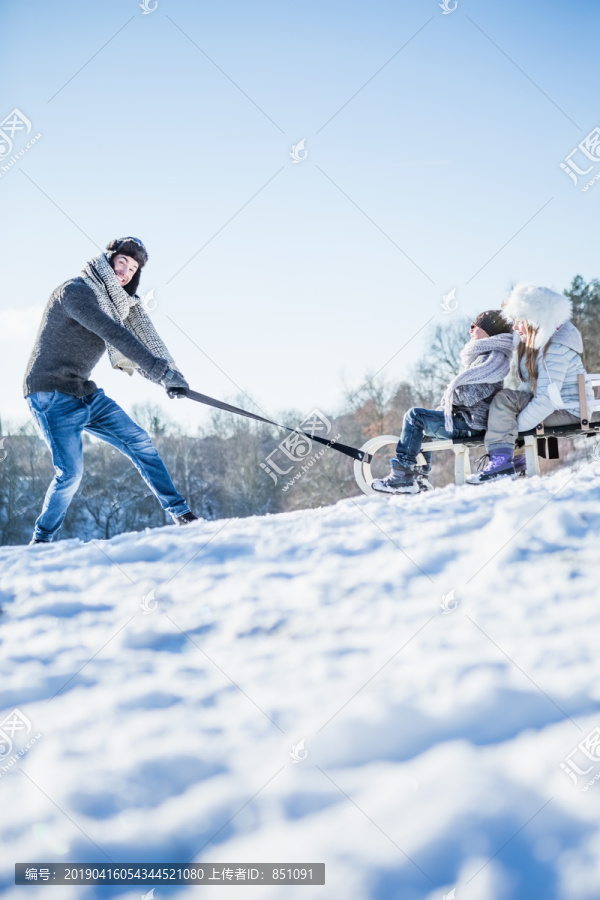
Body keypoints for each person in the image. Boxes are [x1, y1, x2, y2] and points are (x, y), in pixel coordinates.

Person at [23, 237, 198, 544]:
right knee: (70, 474)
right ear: (107, 260)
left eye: (133, 268)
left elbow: (143, 339)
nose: (126, 272)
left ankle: (182, 514)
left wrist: (171, 377)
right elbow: (112, 333)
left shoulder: (121, 305)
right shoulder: (75, 292)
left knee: (140, 442)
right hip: (50, 393)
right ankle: (41, 540)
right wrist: (159, 372)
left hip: (83, 391)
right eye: (122, 263)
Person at [372, 310, 514, 494]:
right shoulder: (489, 356)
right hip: (469, 421)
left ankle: (402, 476)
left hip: (471, 423)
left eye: (476, 325)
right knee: (422, 424)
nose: (470, 328)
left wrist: (451, 396)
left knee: (415, 417)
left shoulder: (492, 358)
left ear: (489, 331)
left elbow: (472, 393)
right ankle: (419, 478)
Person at [467, 283, 593, 484]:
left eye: (519, 321)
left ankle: (502, 462)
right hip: (559, 406)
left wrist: (511, 429)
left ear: (535, 320)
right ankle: (515, 460)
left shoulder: (555, 349)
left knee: (505, 400)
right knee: (507, 400)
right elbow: (531, 394)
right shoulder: (538, 347)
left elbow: (545, 402)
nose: (515, 327)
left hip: (570, 410)